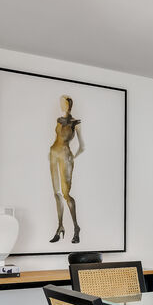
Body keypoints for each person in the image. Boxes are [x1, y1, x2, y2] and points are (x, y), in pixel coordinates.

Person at [49, 94, 84, 243]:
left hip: (65, 156)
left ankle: (76, 227)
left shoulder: (75, 122)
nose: (61, 105)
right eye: (61, 103)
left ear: (69, 105)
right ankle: (60, 226)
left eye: (63, 103)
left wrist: (72, 157)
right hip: (53, 154)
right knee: (56, 193)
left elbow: (82, 146)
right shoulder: (58, 120)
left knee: (65, 193)